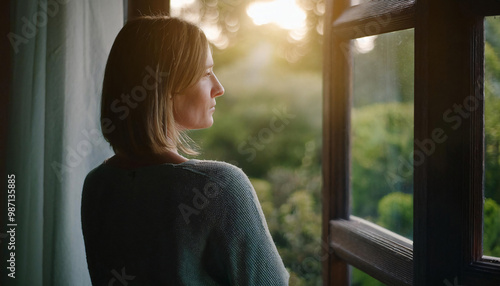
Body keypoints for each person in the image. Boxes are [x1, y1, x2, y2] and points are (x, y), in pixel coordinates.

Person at [81, 16, 290, 285]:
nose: (219, 88)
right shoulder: (219, 187)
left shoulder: (97, 185)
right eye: (205, 73)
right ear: (164, 88)